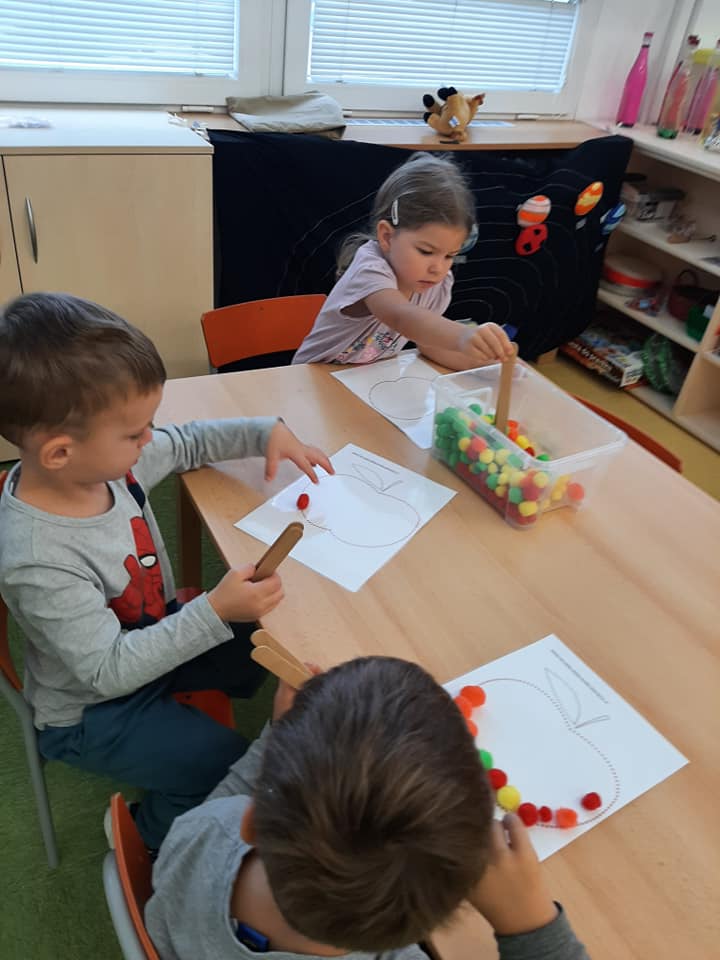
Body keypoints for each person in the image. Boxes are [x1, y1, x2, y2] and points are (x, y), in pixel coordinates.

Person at [0, 291, 333, 850]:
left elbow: (185, 442)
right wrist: (213, 611)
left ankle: (214, 687)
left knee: (264, 627)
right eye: (135, 433)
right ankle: (147, 836)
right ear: (59, 453)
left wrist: (264, 433)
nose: (149, 440)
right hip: (92, 711)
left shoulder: (105, 465)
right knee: (223, 766)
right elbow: (106, 672)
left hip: (148, 642)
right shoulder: (37, 557)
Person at [146, 657, 590, 960]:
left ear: (253, 822)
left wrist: (277, 742)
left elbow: (227, 808)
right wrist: (527, 923)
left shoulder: (206, 833)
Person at [293, 152, 514, 370]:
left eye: (450, 255)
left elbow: (428, 342)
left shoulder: (434, 284)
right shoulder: (370, 269)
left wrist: (484, 366)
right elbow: (401, 317)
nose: (438, 268)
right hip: (311, 377)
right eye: (426, 251)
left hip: (362, 379)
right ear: (387, 236)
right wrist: (463, 335)